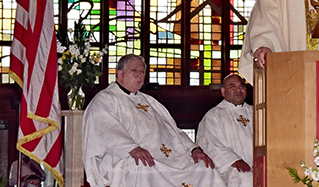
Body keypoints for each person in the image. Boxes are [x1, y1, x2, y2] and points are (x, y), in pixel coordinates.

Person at [82, 54, 226, 187]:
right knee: (143, 167)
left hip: (169, 157)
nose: (139, 76)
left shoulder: (149, 101)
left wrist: (194, 149)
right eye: (134, 71)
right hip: (127, 156)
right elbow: (105, 129)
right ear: (120, 74)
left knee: (203, 167)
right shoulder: (106, 99)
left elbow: (174, 131)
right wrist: (131, 148)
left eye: (142, 72)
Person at [197, 74, 253, 187]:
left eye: (242, 86)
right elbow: (210, 143)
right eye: (232, 86)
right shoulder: (214, 115)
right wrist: (233, 160)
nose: (238, 89)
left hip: (261, 164)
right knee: (245, 178)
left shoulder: (257, 112)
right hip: (230, 167)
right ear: (223, 91)